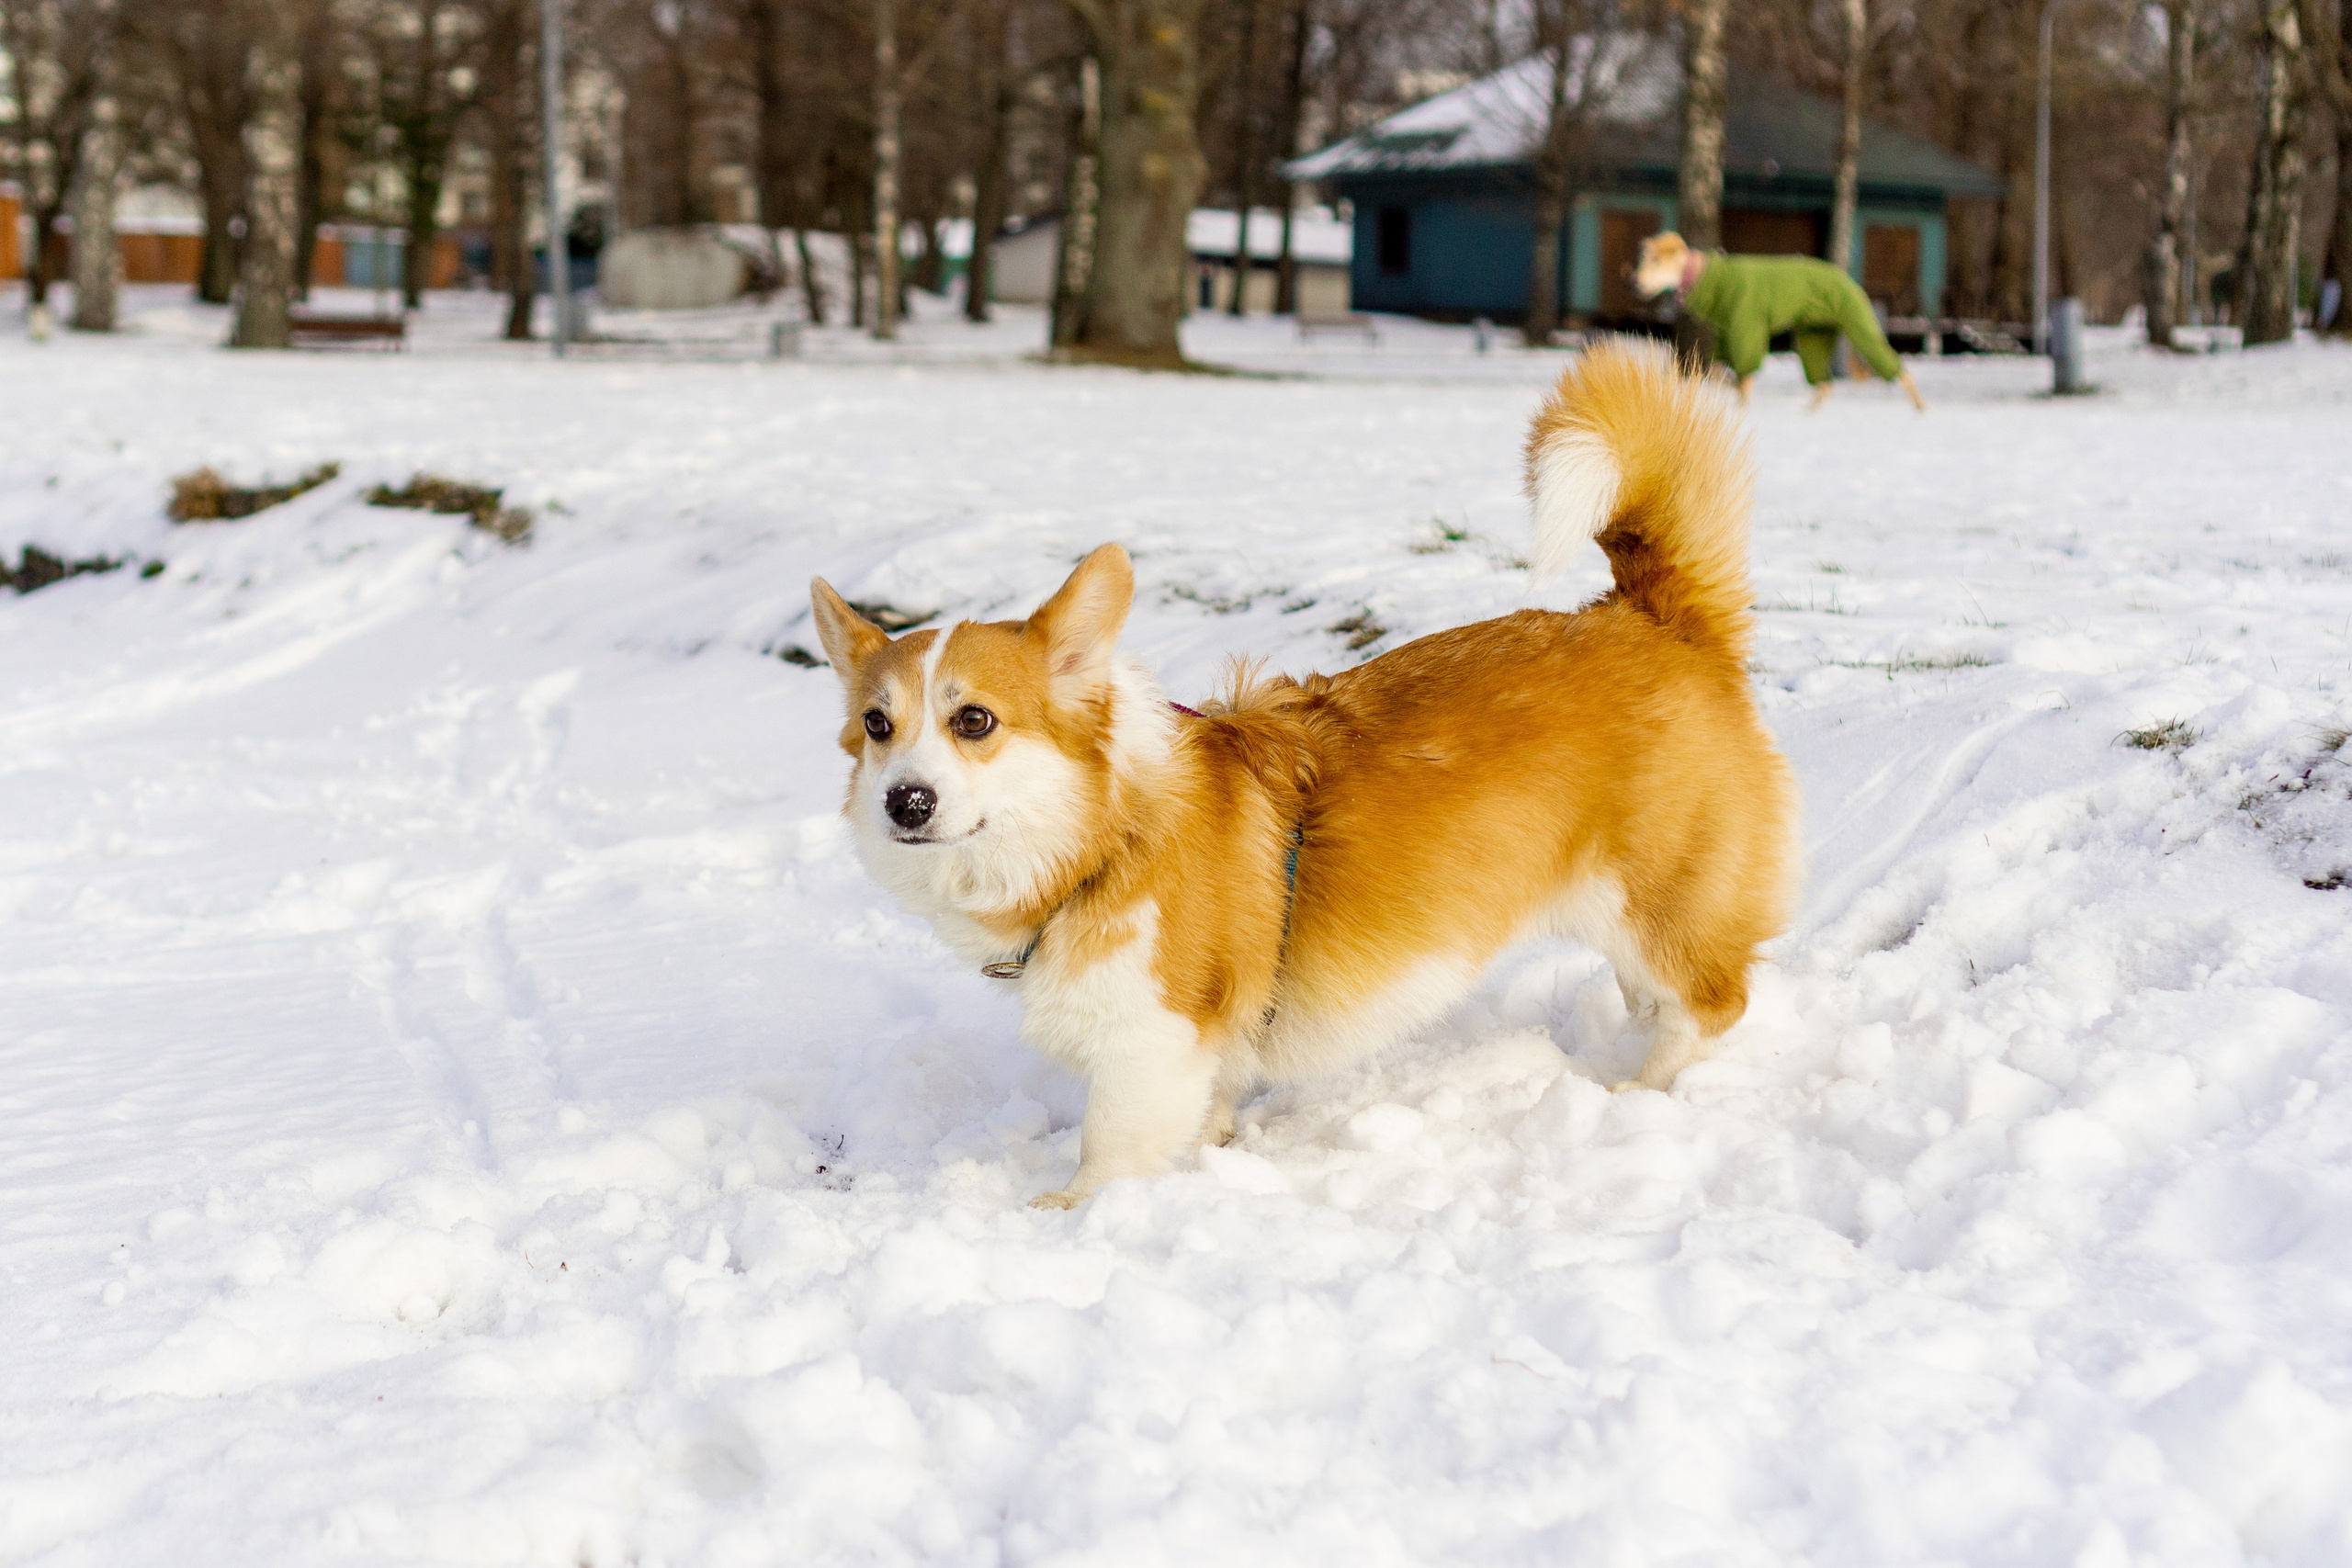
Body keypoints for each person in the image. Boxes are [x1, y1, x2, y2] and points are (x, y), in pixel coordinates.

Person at [1633, 231, 1925, 412]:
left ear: (1679, 257)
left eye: (1656, 265)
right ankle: (1821, 394)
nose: (1645, 275)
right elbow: (1725, 330)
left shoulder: (1732, 284)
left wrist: (1744, 374)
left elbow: (1747, 328)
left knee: (1870, 342)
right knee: (1810, 341)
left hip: (1834, 290)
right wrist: (1718, 362)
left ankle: (1909, 387)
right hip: (1811, 300)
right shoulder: (1715, 286)